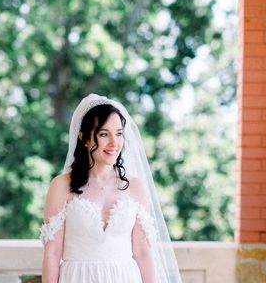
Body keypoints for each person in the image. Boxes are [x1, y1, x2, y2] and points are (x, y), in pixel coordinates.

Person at [40, 94, 182, 283]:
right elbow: (52, 252)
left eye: (118, 133)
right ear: (84, 138)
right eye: (104, 134)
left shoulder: (136, 187)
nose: (114, 144)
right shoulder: (61, 186)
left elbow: (142, 253)